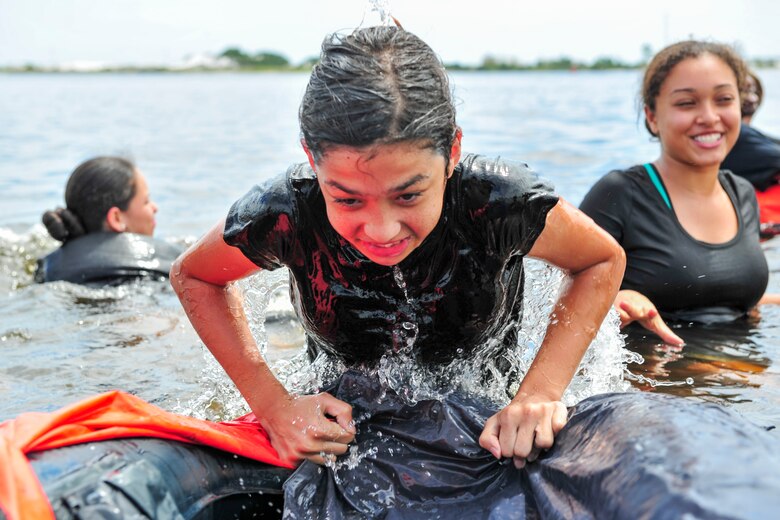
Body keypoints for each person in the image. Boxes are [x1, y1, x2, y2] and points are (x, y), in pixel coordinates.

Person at [171, 25, 624, 516]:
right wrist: (274, 405)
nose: (382, 230)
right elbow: (194, 275)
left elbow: (601, 259)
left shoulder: (495, 201)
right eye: (346, 198)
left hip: (484, 406)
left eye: (409, 195)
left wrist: (540, 393)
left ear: (451, 153)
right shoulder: (287, 211)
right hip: (346, 417)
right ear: (311, 159)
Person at [580, 41, 777, 346]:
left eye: (724, 99)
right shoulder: (620, 194)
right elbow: (559, 307)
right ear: (652, 117)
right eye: (687, 103)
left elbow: (717, 293)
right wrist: (616, 301)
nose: (710, 116)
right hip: (655, 378)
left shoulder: (741, 193)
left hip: (737, 375)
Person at [36, 156, 179, 284]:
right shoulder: (158, 269)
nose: (155, 208)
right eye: (146, 201)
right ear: (116, 219)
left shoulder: (52, 270)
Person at [721, 70, 780, 230]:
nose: (752, 98)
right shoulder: (735, 135)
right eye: (744, 91)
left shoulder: (749, 133)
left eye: (754, 91)